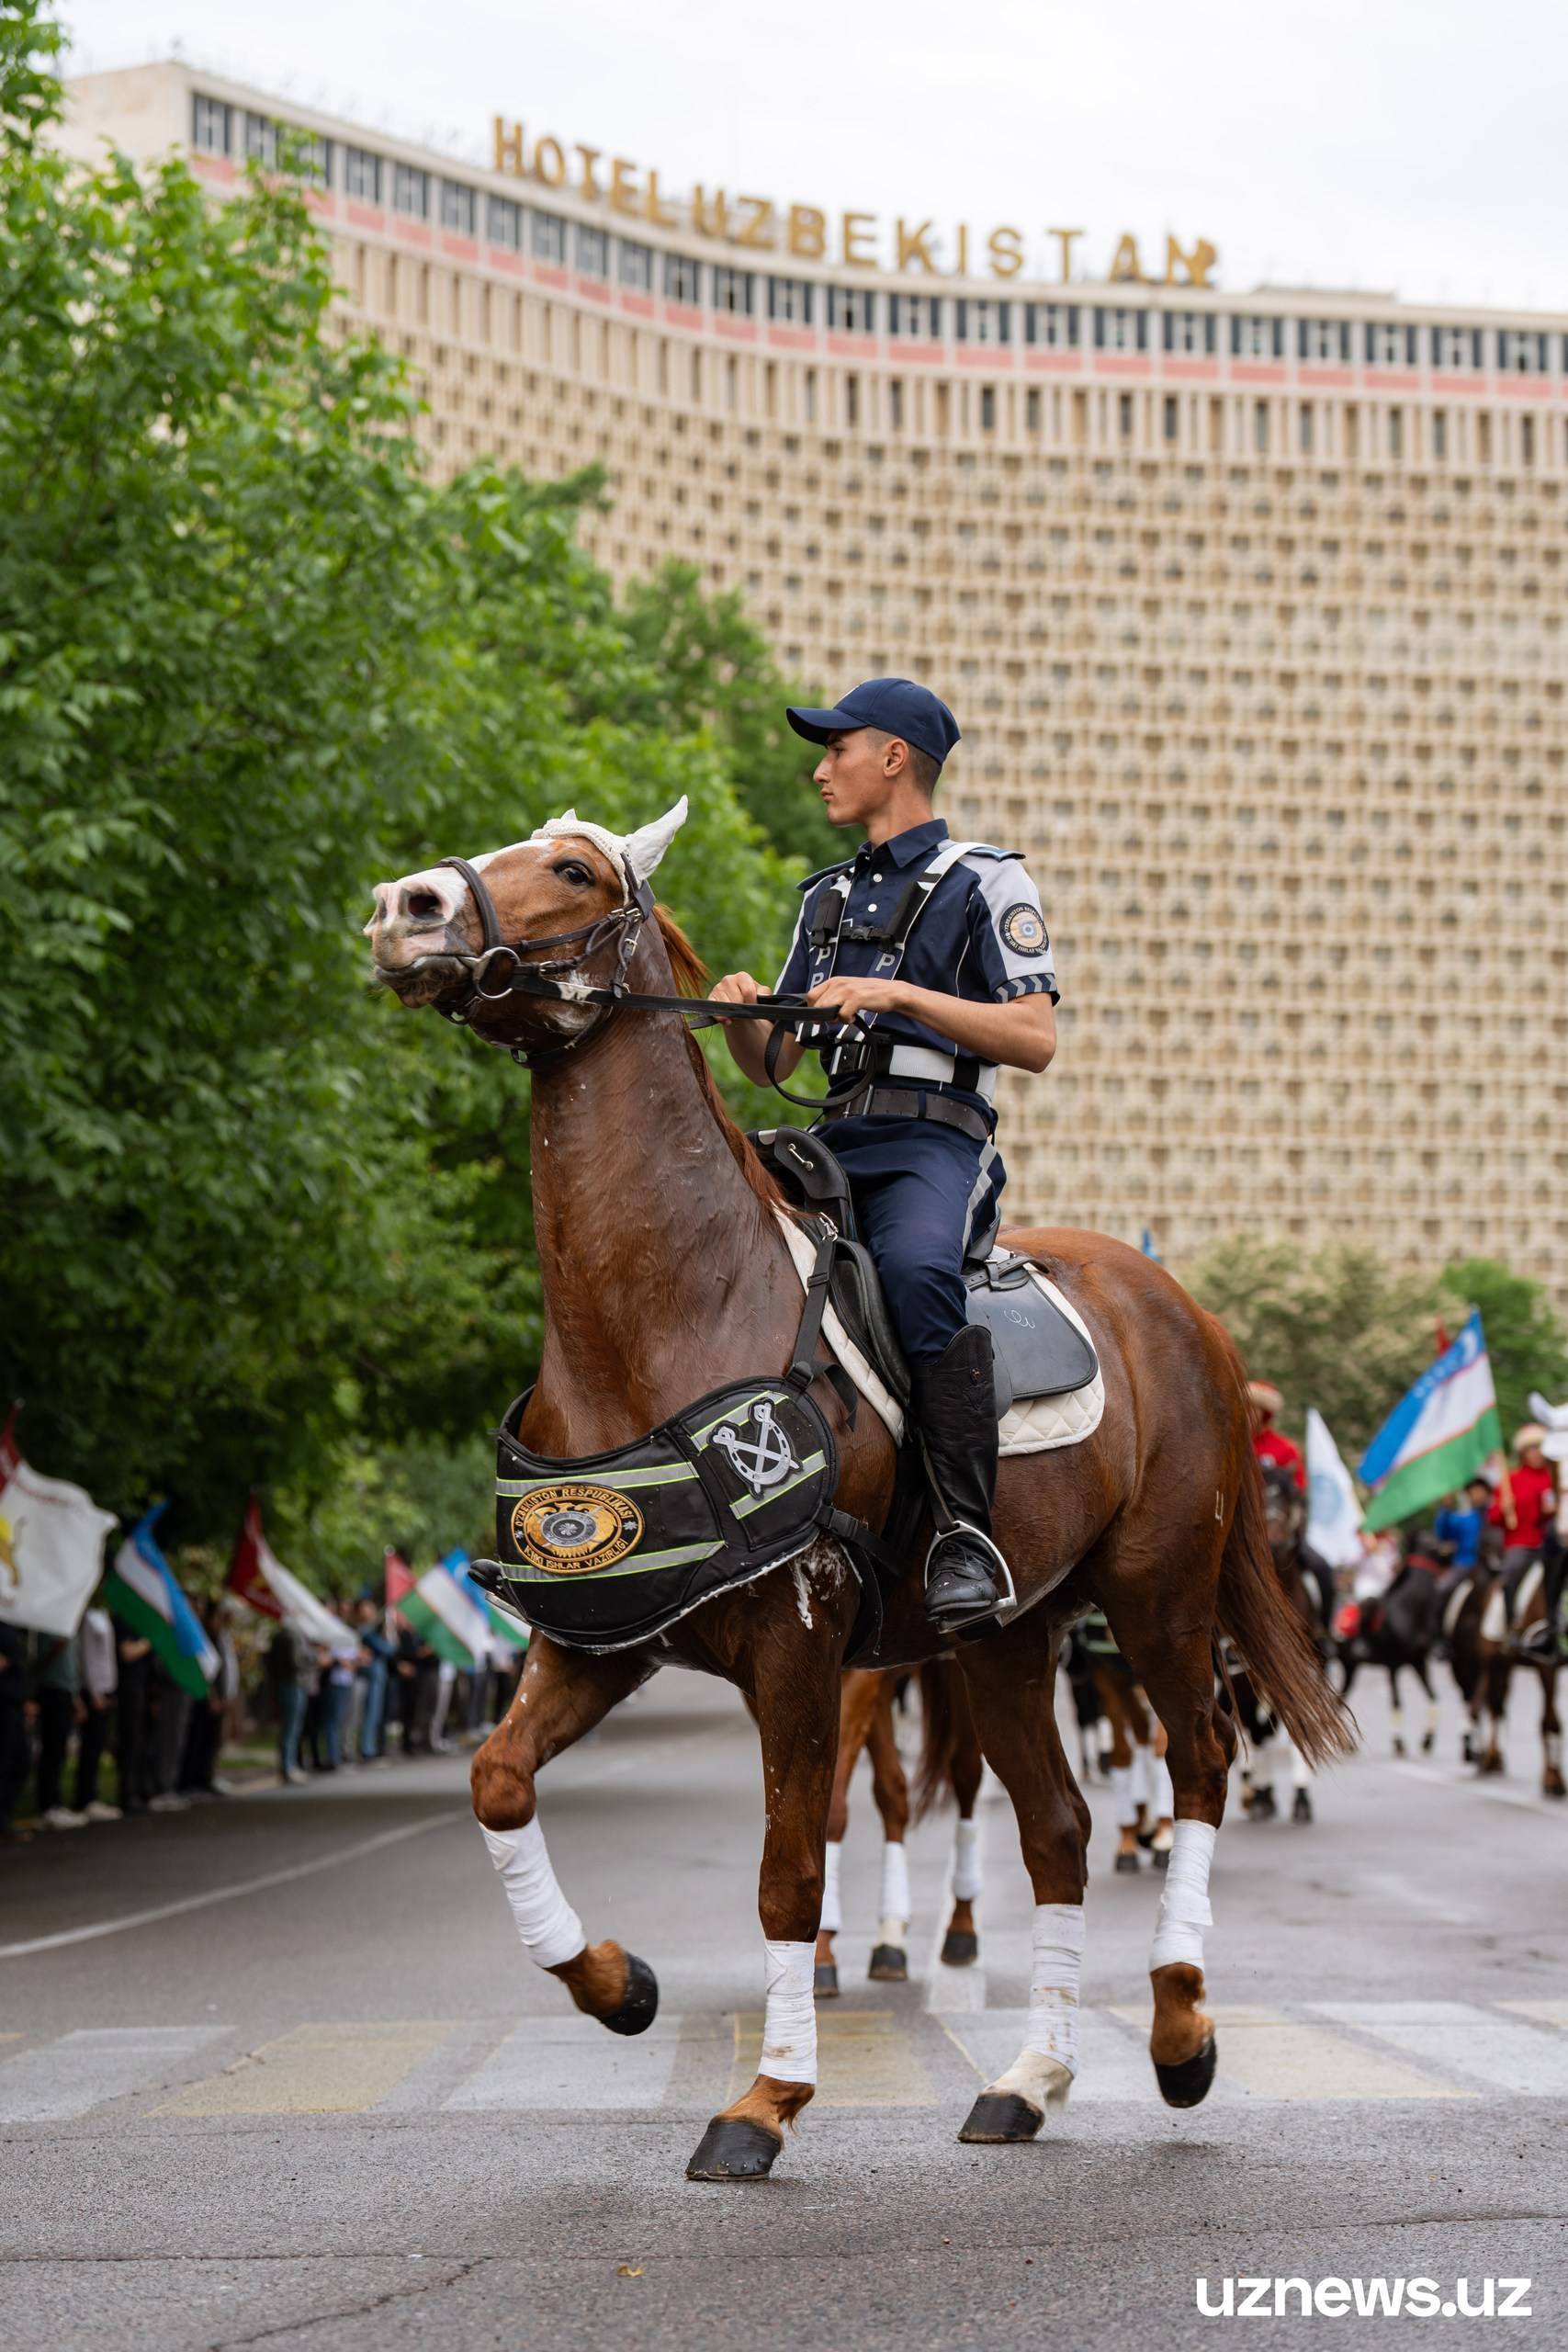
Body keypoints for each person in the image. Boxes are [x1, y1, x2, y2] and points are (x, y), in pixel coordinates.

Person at [710, 678, 1056, 1632]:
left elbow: (1033, 1037)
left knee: (910, 1272)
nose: (821, 771)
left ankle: (963, 1533)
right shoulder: (823, 897)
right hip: (831, 1138)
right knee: (724, 1248)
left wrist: (896, 996)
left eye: (837, 750)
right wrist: (746, 1019)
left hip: (934, 1144)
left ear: (894, 757)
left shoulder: (987, 881)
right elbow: (776, 1060)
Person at [1493, 1424, 1557, 1650]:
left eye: (1540, 1448)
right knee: (1509, 1575)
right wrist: (1503, 1508)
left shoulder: (1554, 1477)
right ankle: (1512, 1626)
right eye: (1532, 1448)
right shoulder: (1511, 1480)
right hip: (1522, 1544)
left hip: (1552, 1543)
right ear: (1523, 1452)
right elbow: (1494, 1518)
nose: (1537, 1453)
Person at [32, 1626, 87, 1829]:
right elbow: (39, 1661)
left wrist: (74, 1696)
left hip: (65, 1692)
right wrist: (55, 1648)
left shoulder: (68, 1625)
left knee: (60, 1750)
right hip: (51, 1691)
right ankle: (47, 1805)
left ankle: (56, 1802)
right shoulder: (49, 1625)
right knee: (51, 1750)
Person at [74, 1603, 122, 1821]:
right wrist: (94, 1691)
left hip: (106, 1690)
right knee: (90, 1747)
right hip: (95, 1693)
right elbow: (87, 1655)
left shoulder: (103, 1614)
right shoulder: (88, 1617)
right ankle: (85, 1798)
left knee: (98, 1745)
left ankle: (92, 1795)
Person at [1247, 1382, 1305, 1491]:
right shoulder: (1230, 1445)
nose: (1246, 1413)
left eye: (1253, 1408)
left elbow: (1297, 1490)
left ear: (1265, 1414)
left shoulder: (1286, 1449)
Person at [1433, 1476, 1493, 1574]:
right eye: (1473, 1492)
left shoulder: (1496, 1512)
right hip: (1465, 1565)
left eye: (1480, 1491)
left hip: (1491, 1563)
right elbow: (1442, 1534)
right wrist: (1445, 1508)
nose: (1478, 1495)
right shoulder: (1464, 1519)